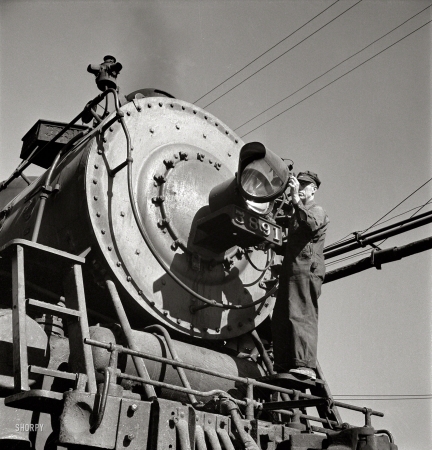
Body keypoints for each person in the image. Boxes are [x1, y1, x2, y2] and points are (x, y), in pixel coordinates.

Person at [271, 171, 329, 380]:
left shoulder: (316, 211)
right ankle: (285, 364)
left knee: (302, 314)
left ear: (313, 189)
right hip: (291, 270)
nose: (300, 189)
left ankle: (304, 365)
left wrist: (295, 200)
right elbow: (288, 243)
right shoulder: (296, 215)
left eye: (304, 186)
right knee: (281, 317)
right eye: (298, 185)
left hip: (307, 270)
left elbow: (311, 224)